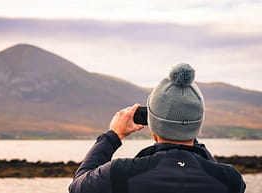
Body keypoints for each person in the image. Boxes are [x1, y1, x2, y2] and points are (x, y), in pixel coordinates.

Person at [69, 63, 246, 193]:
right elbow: (207, 168)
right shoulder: (230, 180)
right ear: (198, 123)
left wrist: (113, 135)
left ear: (152, 124)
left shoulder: (120, 173)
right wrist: (189, 135)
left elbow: (77, 186)